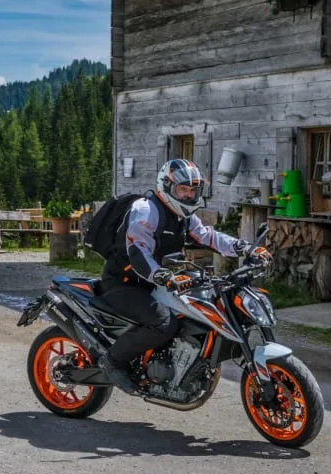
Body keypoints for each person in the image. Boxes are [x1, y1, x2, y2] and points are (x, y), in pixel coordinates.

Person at [96, 158, 272, 394]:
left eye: (193, 191)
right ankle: (113, 361)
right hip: (124, 283)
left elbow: (208, 236)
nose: (188, 195)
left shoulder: (183, 215)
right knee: (162, 323)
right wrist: (164, 276)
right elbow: (138, 251)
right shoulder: (146, 210)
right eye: (183, 189)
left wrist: (245, 248)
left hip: (154, 283)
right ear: (166, 186)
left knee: (198, 313)